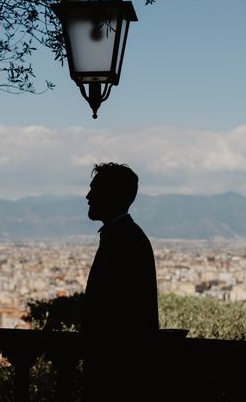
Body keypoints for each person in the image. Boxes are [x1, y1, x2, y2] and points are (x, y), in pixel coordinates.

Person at [81, 162, 159, 401]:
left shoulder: (124, 240)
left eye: (94, 190)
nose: (88, 196)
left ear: (110, 196)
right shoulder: (127, 236)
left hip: (116, 373)